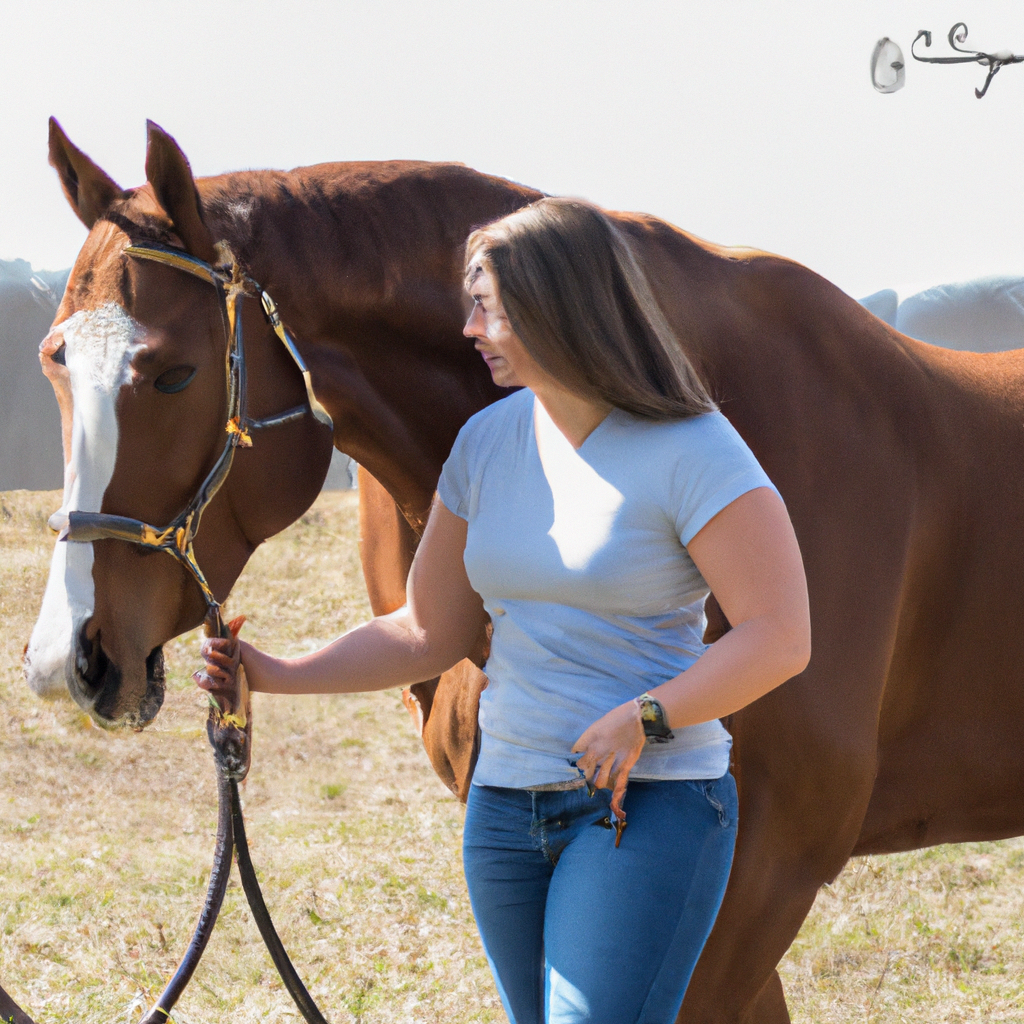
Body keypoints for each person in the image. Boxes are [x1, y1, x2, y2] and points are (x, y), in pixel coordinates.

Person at [197, 198, 811, 1024]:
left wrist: (646, 718)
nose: (470, 328)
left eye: (488, 306)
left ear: (559, 306)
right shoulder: (487, 444)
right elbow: (427, 630)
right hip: (505, 809)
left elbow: (780, 637)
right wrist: (271, 675)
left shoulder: (692, 448)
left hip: (647, 805)